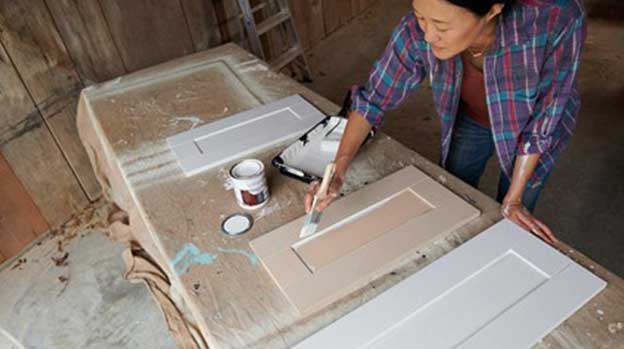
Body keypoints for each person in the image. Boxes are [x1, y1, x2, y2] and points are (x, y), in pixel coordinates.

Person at [304, 0, 586, 244]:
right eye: (420, 16)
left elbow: (545, 118)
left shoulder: (555, 19)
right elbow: (373, 99)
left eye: (440, 25)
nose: (427, 35)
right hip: (469, 118)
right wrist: (338, 169)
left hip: (534, 129)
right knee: (453, 189)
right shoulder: (417, 30)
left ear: (491, 10)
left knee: (512, 211)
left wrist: (514, 200)